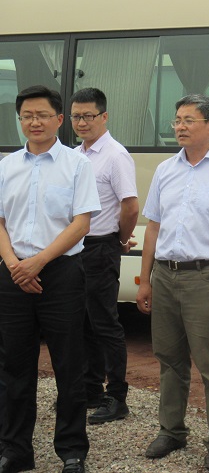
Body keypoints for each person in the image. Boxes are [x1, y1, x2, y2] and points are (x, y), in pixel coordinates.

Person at [136, 94, 209, 471]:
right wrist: (145, 280)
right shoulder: (166, 170)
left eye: (188, 120)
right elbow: (153, 227)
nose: (180, 127)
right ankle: (171, 430)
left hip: (208, 276)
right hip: (166, 276)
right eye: (177, 120)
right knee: (169, 358)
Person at [0, 85, 101, 473]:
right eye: (27, 115)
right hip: (13, 274)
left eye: (42, 115)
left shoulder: (77, 165)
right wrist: (14, 264)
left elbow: (81, 223)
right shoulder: (7, 166)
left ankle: (72, 450)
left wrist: (38, 263)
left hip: (60, 274)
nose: (35, 122)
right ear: (20, 120)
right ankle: (15, 450)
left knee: (69, 364)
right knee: (14, 367)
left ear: (59, 119)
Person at [71, 88, 139, 424]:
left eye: (88, 116)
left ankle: (117, 397)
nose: (81, 122)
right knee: (82, 322)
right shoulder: (74, 154)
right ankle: (90, 389)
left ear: (104, 116)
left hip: (100, 247)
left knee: (104, 324)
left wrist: (120, 239)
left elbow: (130, 206)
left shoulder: (115, 155)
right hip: (75, 248)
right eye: (76, 116)